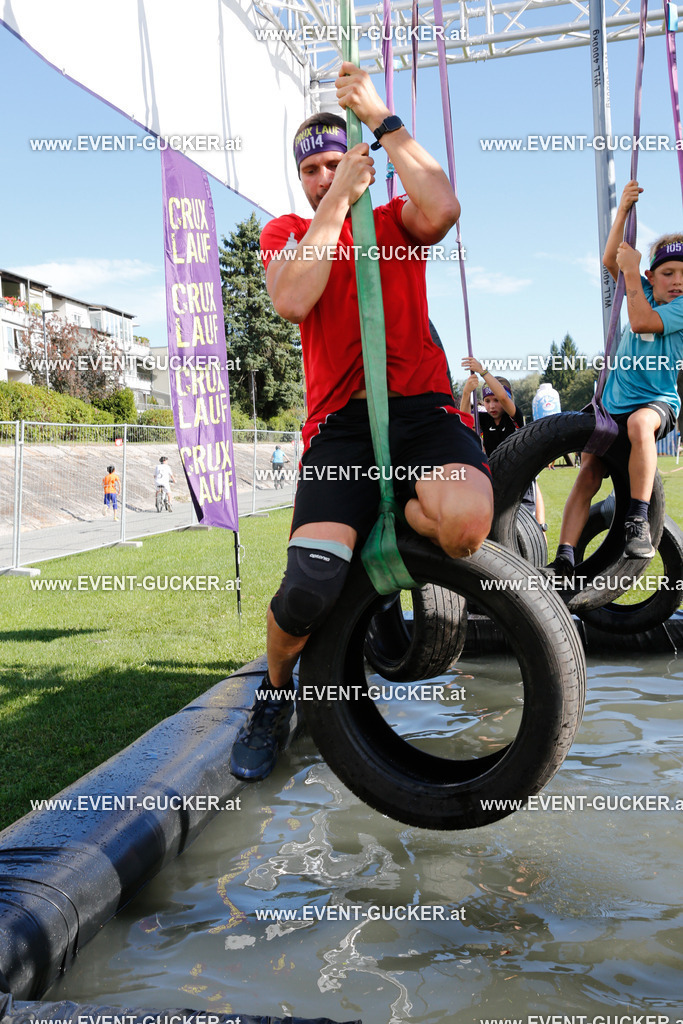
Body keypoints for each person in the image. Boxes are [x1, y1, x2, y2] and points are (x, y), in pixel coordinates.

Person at [230, 60, 494, 782]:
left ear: (362, 163)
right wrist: (333, 205)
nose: (321, 175)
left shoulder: (395, 222)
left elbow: (442, 208)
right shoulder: (289, 229)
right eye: (310, 168)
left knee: (467, 525)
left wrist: (380, 115)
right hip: (342, 428)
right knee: (308, 589)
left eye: (332, 164)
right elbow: (292, 300)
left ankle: (392, 528)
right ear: (301, 178)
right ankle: (275, 693)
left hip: (423, 414)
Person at [550, 179, 683, 577]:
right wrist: (623, 210)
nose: (677, 281)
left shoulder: (680, 309)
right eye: (669, 273)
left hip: (655, 403)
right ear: (651, 275)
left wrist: (629, 273)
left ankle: (637, 520)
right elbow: (610, 259)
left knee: (642, 424)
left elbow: (642, 319)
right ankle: (565, 557)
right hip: (612, 403)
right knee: (589, 469)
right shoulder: (638, 287)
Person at [460, 359, 546, 526]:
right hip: (497, 480)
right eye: (487, 401)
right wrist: (466, 393)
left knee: (527, 528)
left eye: (496, 400)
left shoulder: (515, 417)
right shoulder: (483, 419)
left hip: (521, 481)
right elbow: (464, 421)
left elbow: (504, 398)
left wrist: (482, 371)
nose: (492, 405)